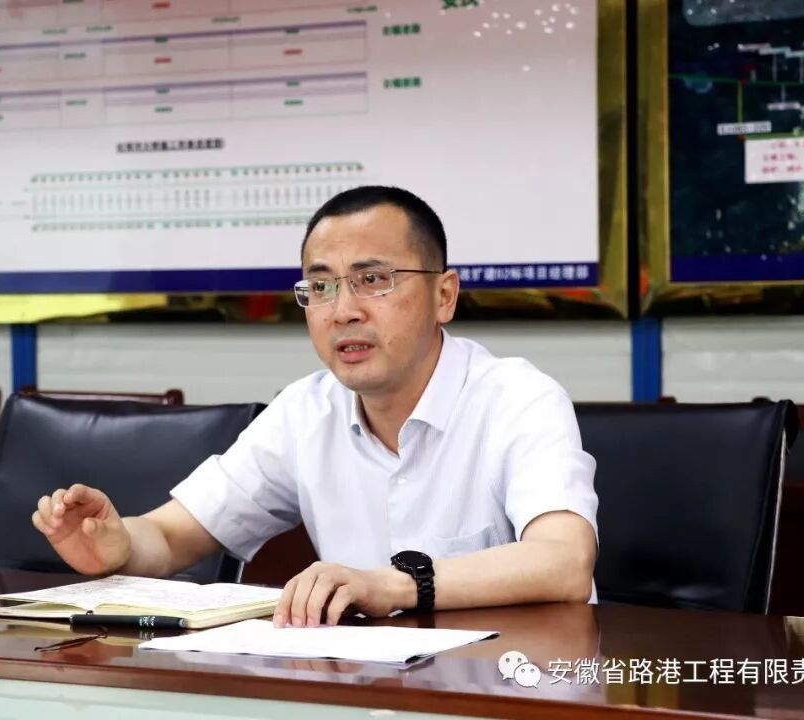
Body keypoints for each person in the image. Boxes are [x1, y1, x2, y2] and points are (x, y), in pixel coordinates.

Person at [32, 186, 598, 628]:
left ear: (444, 295)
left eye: (373, 279)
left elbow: (564, 562)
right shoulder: (305, 410)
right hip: (364, 691)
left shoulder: (518, 399)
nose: (343, 310)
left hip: (509, 684)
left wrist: (392, 585)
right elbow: (174, 536)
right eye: (321, 287)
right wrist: (118, 545)